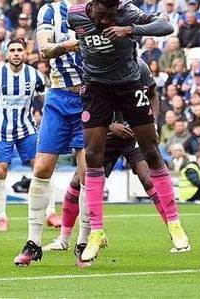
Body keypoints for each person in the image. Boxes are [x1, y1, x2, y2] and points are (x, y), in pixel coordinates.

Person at [68, 0, 190, 263]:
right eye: (101, 15)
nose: (105, 21)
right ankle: (96, 231)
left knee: (151, 150)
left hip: (129, 86)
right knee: (92, 156)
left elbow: (166, 26)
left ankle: (174, 223)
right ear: (92, 6)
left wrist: (129, 29)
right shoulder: (74, 15)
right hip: (97, 89)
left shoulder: (126, 11)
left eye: (110, 16)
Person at [43, 59, 168, 264]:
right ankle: (63, 239)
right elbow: (89, 105)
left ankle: (174, 231)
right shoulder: (97, 67)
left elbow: (152, 94)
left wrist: (150, 123)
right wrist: (110, 125)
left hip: (131, 136)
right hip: (105, 137)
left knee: (148, 179)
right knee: (78, 181)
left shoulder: (139, 66)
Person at [13, 0, 92, 267]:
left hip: (90, 98)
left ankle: (83, 243)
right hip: (58, 96)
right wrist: (74, 44)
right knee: (42, 167)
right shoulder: (50, 11)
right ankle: (33, 242)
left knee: (87, 172)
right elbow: (44, 49)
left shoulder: (100, 13)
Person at [0, 38, 46, 232]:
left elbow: (45, 100)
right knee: (1, 169)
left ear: (25, 53)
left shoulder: (35, 75)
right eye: (13, 50)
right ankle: (1, 217)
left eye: (19, 50)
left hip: (27, 128)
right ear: (7, 54)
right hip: (1, 129)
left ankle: (49, 213)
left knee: (41, 167)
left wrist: (49, 121)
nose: (16, 53)